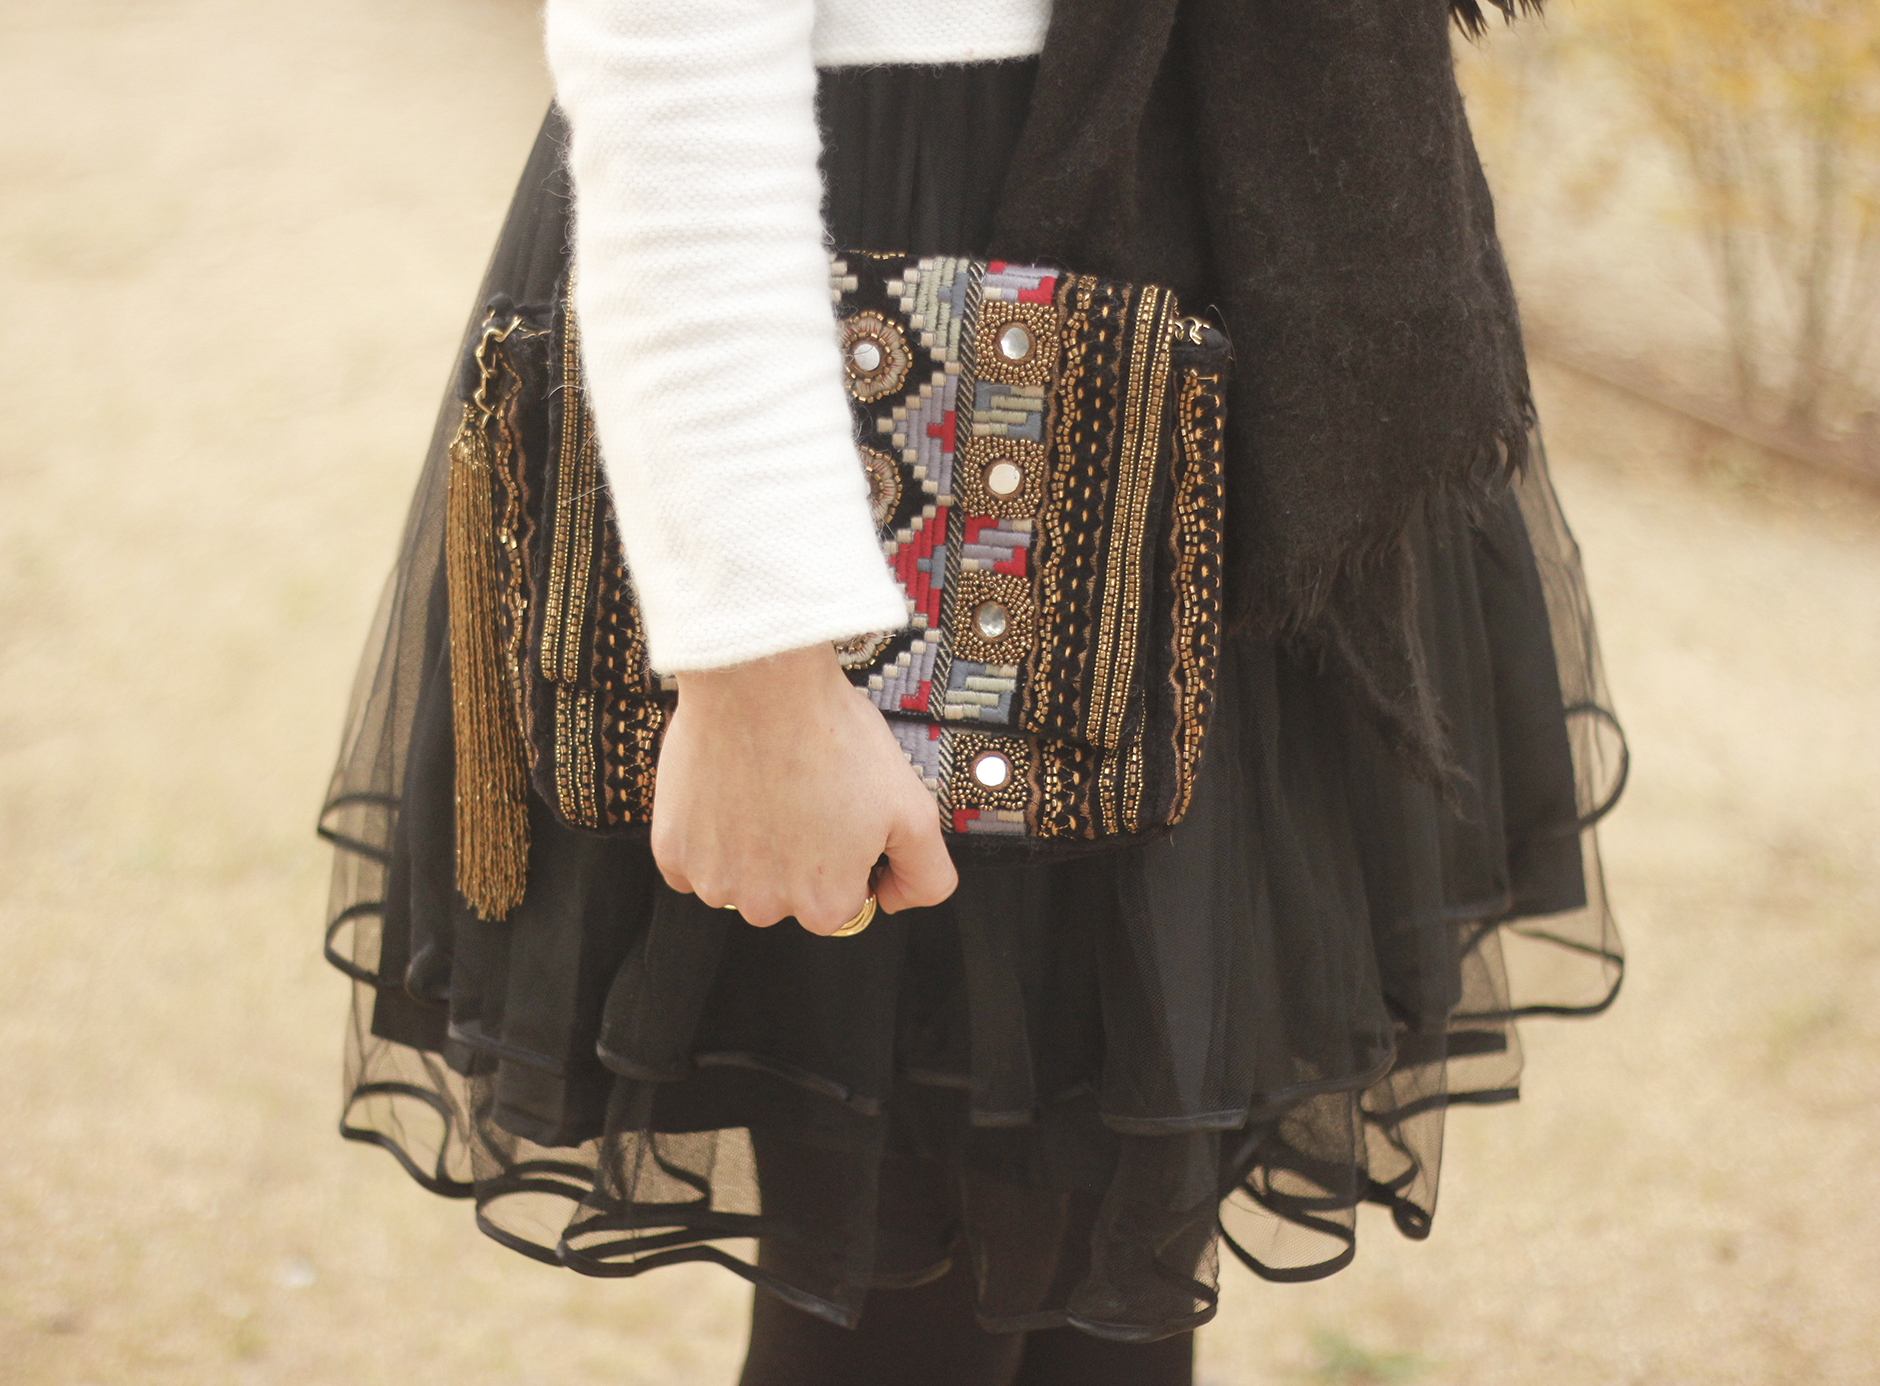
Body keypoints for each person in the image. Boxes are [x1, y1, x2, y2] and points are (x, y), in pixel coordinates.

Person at [319, 2, 1626, 1383]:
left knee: (1109, 1288)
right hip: (891, 290)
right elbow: (667, 39)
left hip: (1251, 223)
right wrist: (761, 657)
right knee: (914, 1297)